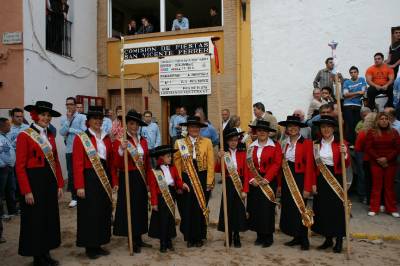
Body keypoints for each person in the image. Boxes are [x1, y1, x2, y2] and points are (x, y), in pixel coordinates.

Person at [16, 101, 64, 266]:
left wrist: (59, 184)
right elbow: (20, 167)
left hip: (49, 182)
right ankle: (37, 257)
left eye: (48, 115)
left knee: (48, 218)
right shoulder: (25, 135)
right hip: (33, 182)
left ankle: (46, 253)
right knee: (35, 220)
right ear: (35, 116)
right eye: (43, 115)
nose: (46, 118)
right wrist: (26, 191)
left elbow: (56, 161)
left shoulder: (50, 135)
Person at [73, 106, 114, 259]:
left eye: (100, 119)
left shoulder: (106, 137)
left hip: (103, 177)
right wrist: (79, 186)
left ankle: (99, 243)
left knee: (103, 211)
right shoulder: (81, 138)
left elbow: (110, 161)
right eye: (94, 118)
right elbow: (77, 164)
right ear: (88, 121)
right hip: (89, 178)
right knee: (90, 213)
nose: (98, 121)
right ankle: (90, 247)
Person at [113, 110, 152, 253]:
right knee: (131, 208)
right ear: (126, 125)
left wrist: (148, 181)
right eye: (131, 123)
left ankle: (139, 237)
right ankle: (132, 239)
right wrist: (121, 150)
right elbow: (116, 164)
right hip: (128, 177)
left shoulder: (143, 141)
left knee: (140, 208)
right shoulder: (121, 141)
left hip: (140, 178)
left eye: (136, 124)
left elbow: (147, 163)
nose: (134, 127)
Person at [173, 116, 215, 248]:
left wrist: (209, 181)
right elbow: (177, 164)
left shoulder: (207, 142)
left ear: (200, 128)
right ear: (188, 128)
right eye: (192, 126)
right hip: (186, 178)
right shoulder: (179, 143)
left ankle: (199, 236)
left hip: (202, 177)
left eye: (197, 127)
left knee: (200, 208)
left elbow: (211, 163)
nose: (194, 129)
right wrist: (179, 182)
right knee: (187, 208)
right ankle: (189, 237)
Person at [312, 115, 350, 253]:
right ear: (320, 129)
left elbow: (346, 165)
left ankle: (339, 240)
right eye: (323, 127)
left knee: (337, 211)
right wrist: (313, 184)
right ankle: (328, 239)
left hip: (336, 178)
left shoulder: (341, 143)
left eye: (328, 127)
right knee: (323, 210)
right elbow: (312, 166)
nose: (326, 129)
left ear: (333, 128)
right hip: (321, 179)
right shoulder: (315, 144)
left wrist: (344, 154)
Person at [277, 116, 314, 251]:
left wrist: (307, 187)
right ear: (286, 129)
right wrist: (280, 185)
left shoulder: (307, 143)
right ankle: (296, 236)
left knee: (301, 210)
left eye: (295, 126)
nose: (292, 128)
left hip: (300, 179)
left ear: (299, 128)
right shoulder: (284, 143)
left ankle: (304, 239)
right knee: (291, 210)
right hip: (287, 179)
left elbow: (310, 166)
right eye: (289, 126)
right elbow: (282, 166)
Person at [247, 120, 282, 248]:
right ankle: (259, 236)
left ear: (268, 133)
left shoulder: (275, 145)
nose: (261, 132)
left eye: (264, 131)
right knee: (256, 209)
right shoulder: (251, 146)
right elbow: (248, 164)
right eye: (259, 130)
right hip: (255, 181)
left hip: (268, 181)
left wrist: (267, 178)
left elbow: (277, 163)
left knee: (267, 209)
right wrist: (252, 179)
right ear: (256, 132)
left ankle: (268, 236)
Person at [148, 145, 188, 253]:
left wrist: (182, 185)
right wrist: (154, 203)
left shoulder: (173, 168)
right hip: (161, 196)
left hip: (171, 194)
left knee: (170, 218)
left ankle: (169, 240)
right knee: (163, 220)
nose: (170, 158)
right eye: (168, 156)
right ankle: (163, 242)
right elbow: (152, 188)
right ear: (161, 158)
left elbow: (177, 180)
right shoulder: (154, 172)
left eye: (170, 156)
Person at [216, 128, 249, 247]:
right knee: (228, 210)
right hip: (228, 184)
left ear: (238, 140)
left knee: (238, 211)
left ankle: (236, 235)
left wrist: (245, 189)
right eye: (231, 140)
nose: (233, 142)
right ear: (227, 141)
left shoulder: (243, 153)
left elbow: (246, 173)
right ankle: (228, 235)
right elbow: (218, 169)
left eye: (235, 140)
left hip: (239, 183)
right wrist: (219, 159)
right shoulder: (223, 153)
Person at [365, 112, 400, 217]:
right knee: (376, 186)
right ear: (377, 121)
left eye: (386, 119)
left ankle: (392, 209)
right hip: (376, 163)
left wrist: (387, 159)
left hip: (391, 163)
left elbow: (397, 148)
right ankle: (374, 208)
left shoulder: (394, 132)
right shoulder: (372, 132)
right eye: (381, 119)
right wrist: (379, 159)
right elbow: (368, 148)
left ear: (389, 121)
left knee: (389, 187)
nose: (384, 120)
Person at [59, 97, 87, 208]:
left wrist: (70, 130)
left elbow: (84, 131)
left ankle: (83, 192)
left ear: (75, 105)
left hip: (81, 149)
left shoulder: (82, 117)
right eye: (67, 104)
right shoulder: (63, 118)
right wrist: (68, 121)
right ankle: (74, 197)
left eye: (71, 104)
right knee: (71, 173)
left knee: (81, 171)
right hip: (69, 149)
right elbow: (61, 132)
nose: (69, 106)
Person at [355, 112, 377, 204]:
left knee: (364, 175)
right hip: (363, 154)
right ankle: (363, 195)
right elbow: (359, 147)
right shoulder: (365, 133)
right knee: (363, 175)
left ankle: (364, 196)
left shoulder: (363, 132)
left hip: (364, 154)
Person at [343, 66, 367, 145]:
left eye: (354, 72)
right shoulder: (347, 82)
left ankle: (356, 142)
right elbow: (345, 94)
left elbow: (363, 92)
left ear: (357, 73)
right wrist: (357, 93)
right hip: (347, 105)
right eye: (351, 72)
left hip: (357, 105)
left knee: (357, 123)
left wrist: (350, 95)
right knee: (349, 124)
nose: (353, 74)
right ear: (350, 74)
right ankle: (350, 142)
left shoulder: (362, 80)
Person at [0, 118, 17, 219]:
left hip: (9, 168)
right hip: (2, 169)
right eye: (8, 125)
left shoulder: (5, 137)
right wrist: (2, 164)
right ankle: (1, 214)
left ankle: (12, 210)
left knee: (11, 189)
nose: (10, 126)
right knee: (1, 192)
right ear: (2, 126)